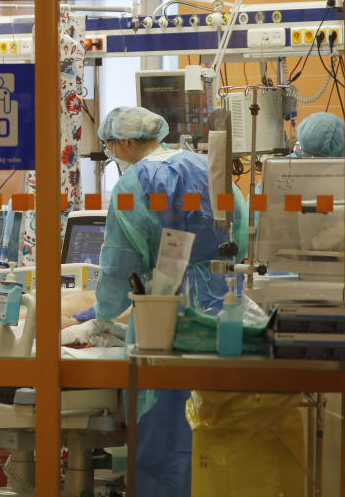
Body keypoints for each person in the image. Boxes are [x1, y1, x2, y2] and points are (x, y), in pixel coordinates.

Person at [94, 107, 249, 497]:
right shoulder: (211, 168)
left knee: (164, 418)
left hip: (163, 311)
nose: (111, 150)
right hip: (224, 304)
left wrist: (102, 319)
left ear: (127, 142)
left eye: (110, 143)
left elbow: (118, 264)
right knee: (217, 412)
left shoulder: (133, 184)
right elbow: (242, 238)